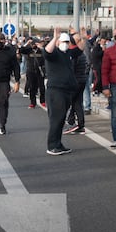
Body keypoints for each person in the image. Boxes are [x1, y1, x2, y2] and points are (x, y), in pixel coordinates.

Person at [43, 27, 78, 156]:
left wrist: (82, 37)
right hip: (55, 91)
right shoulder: (54, 53)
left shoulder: (67, 54)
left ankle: (58, 144)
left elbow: (80, 49)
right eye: (63, 41)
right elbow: (46, 52)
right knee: (56, 119)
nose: (65, 44)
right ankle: (52, 146)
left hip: (66, 91)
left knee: (61, 119)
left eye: (67, 42)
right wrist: (55, 37)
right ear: (58, 42)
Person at [19, 37, 46, 109]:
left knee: (42, 87)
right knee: (32, 88)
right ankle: (32, 103)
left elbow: (47, 54)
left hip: (40, 71)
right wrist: (27, 43)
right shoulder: (28, 50)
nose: (33, 45)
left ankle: (43, 101)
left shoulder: (41, 51)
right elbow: (21, 50)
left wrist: (41, 47)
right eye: (32, 44)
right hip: (31, 71)